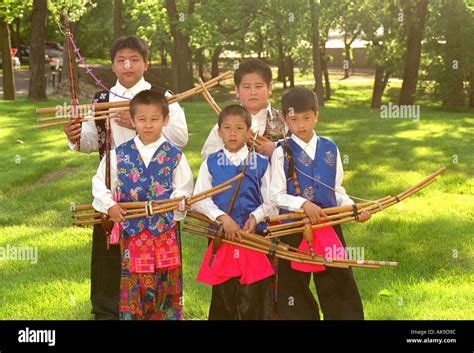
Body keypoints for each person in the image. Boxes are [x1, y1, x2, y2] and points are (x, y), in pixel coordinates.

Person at [63, 36, 188, 320]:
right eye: (121, 60)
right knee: (110, 257)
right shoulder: (102, 100)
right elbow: (91, 141)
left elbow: (180, 138)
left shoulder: (161, 95)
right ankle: (108, 311)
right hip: (115, 193)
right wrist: (74, 138)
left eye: (134, 59)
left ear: (146, 63)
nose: (128, 65)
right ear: (113, 65)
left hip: (156, 194)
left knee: (158, 257)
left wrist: (137, 122)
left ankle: (158, 309)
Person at [270, 87, 371, 320]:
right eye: (294, 119)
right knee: (294, 285)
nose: (301, 125)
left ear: (316, 115)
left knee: (338, 279)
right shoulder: (281, 152)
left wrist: (354, 210)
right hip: (293, 227)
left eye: (306, 118)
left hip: (328, 223)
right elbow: (275, 195)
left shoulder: (330, 148)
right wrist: (303, 204)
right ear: (285, 119)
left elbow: (337, 190)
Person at [92, 89, 193, 320]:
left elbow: (184, 188)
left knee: (167, 280)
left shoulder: (174, 155)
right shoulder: (119, 154)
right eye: (142, 119)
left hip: (165, 231)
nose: (148, 125)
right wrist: (110, 205)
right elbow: (100, 182)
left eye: (155, 119)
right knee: (134, 281)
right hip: (133, 232)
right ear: (133, 120)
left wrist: (175, 206)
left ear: (166, 120)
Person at [192, 105, 277, 320]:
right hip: (222, 237)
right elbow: (199, 199)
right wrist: (222, 218)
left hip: (253, 238)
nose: (232, 133)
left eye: (239, 128)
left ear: (249, 133)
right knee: (223, 295)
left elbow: (272, 200)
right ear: (219, 132)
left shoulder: (261, 163)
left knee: (254, 296)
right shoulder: (211, 162)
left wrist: (255, 217)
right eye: (227, 128)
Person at [200, 58, 286, 160]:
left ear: (270, 88)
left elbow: (300, 152)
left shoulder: (285, 121)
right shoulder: (226, 124)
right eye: (246, 87)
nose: (253, 92)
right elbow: (208, 156)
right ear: (237, 90)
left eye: (258, 86)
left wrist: (277, 149)